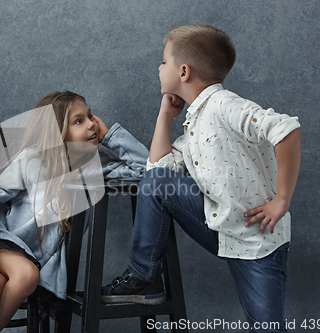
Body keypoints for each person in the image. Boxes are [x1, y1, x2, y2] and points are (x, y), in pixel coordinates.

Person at [102, 25, 301, 333]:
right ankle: (144, 278)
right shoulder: (194, 123)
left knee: (267, 328)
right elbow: (157, 174)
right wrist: (165, 116)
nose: (159, 67)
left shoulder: (224, 105)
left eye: (164, 60)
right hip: (220, 229)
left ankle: (144, 277)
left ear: (183, 71)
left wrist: (282, 200)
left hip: (257, 239)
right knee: (157, 184)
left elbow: (285, 129)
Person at [0, 91, 149, 333]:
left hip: (20, 257)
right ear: (56, 133)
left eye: (90, 116)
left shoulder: (92, 170)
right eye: (79, 121)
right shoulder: (31, 162)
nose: (91, 124)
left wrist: (110, 135)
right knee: (23, 276)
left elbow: (146, 168)